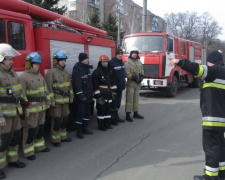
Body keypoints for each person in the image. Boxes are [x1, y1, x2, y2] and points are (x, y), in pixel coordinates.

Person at [169, 50, 225, 180]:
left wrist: (179, 62)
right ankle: (222, 173)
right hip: (222, 119)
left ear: (211, 62)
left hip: (212, 120)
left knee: (211, 148)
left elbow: (196, 68)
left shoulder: (214, 71)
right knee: (221, 146)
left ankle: (211, 176)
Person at [0, 43, 26, 179]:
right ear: (2, 58)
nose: (12, 60)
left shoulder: (13, 73)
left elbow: (19, 91)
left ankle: (13, 160)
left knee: (15, 137)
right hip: (4, 114)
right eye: (10, 58)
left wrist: (23, 108)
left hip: (15, 112)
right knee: (2, 141)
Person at [19, 52, 51, 160]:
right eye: (36, 64)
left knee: (40, 128)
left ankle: (39, 147)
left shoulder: (39, 75)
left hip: (41, 107)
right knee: (30, 130)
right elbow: (22, 94)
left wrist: (48, 102)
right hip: (31, 109)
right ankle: (28, 152)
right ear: (30, 64)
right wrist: (25, 109)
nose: (38, 65)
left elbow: (45, 90)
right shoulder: (23, 77)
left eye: (39, 64)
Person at [45, 50, 74, 147]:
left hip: (65, 100)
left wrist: (71, 96)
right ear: (56, 61)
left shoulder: (65, 72)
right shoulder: (51, 72)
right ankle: (55, 139)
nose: (63, 62)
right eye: (61, 60)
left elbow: (69, 86)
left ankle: (63, 136)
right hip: (56, 101)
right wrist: (51, 100)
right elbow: (48, 88)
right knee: (56, 120)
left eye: (64, 60)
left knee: (65, 119)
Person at [92, 55, 117, 131]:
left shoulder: (109, 71)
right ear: (100, 62)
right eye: (104, 62)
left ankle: (108, 124)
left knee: (108, 110)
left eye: (107, 62)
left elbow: (113, 82)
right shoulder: (97, 72)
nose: (106, 63)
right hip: (101, 94)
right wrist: (98, 95)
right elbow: (95, 85)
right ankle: (101, 126)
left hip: (109, 94)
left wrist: (114, 91)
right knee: (101, 110)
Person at [72, 53, 94, 139]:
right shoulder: (77, 70)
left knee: (87, 114)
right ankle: (79, 131)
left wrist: (91, 94)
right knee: (80, 114)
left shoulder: (86, 69)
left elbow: (89, 83)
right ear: (81, 59)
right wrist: (81, 96)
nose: (87, 60)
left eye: (87, 58)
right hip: (82, 97)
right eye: (86, 59)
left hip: (88, 96)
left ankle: (85, 128)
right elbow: (77, 84)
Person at [124, 47, 145, 122]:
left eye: (135, 53)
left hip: (137, 84)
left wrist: (141, 77)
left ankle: (135, 113)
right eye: (133, 53)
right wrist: (135, 78)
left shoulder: (139, 61)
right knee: (129, 99)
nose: (134, 55)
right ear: (130, 54)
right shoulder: (127, 62)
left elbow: (142, 70)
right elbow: (127, 73)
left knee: (136, 99)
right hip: (131, 83)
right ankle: (128, 115)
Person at [109, 49, 126, 124]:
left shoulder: (121, 63)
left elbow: (122, 75)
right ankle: (112, 119)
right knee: (113, 103)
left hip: (120, 87)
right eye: (118, 54)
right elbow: (110, 76)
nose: (120, 55)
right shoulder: (112, 63)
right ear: (115, 55)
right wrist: (113, 85)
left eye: (121, 53)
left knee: (118, 103)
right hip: (114, 88)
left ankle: (116, 116)